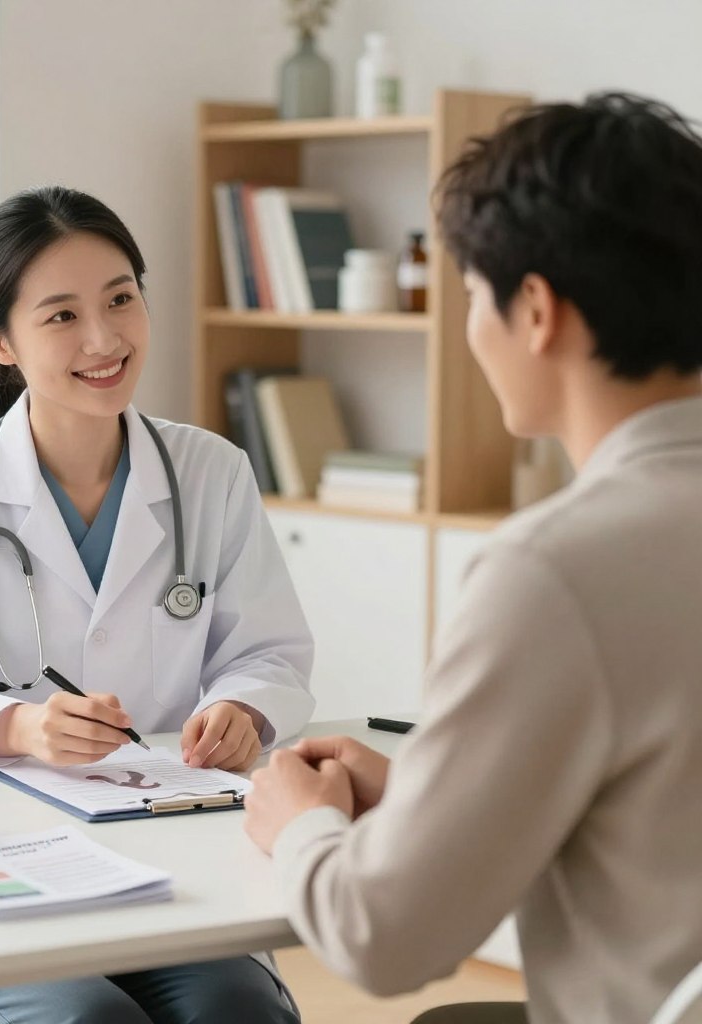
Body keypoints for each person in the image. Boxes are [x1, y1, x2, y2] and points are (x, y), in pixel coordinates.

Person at [243, 91, 702, 1024]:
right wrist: (425, 788)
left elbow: (382, 935)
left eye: (468, 296)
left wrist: (303, 826)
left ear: (535, 310)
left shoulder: (558, 570)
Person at [0, 186, 314, 1024]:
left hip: (177, 863)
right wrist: (20, 729)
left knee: (237, 1010)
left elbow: (270, 650)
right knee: (84, 1020)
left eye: (121, 299)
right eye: (61, 316)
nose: (105, 339)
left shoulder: (212, 472)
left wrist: (243, 705)